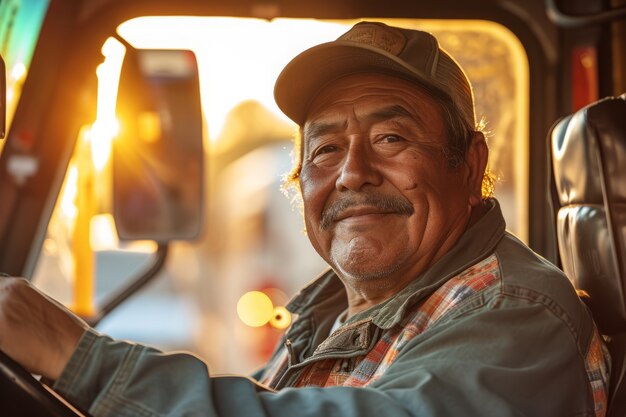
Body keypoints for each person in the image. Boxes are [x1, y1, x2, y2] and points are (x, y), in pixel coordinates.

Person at [0, 21, 611, 417]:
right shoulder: (334, 315)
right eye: (324, 149)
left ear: (470, 164)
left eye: (392, 137)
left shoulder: (514, 313)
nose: (351, 172)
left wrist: (75, 355)